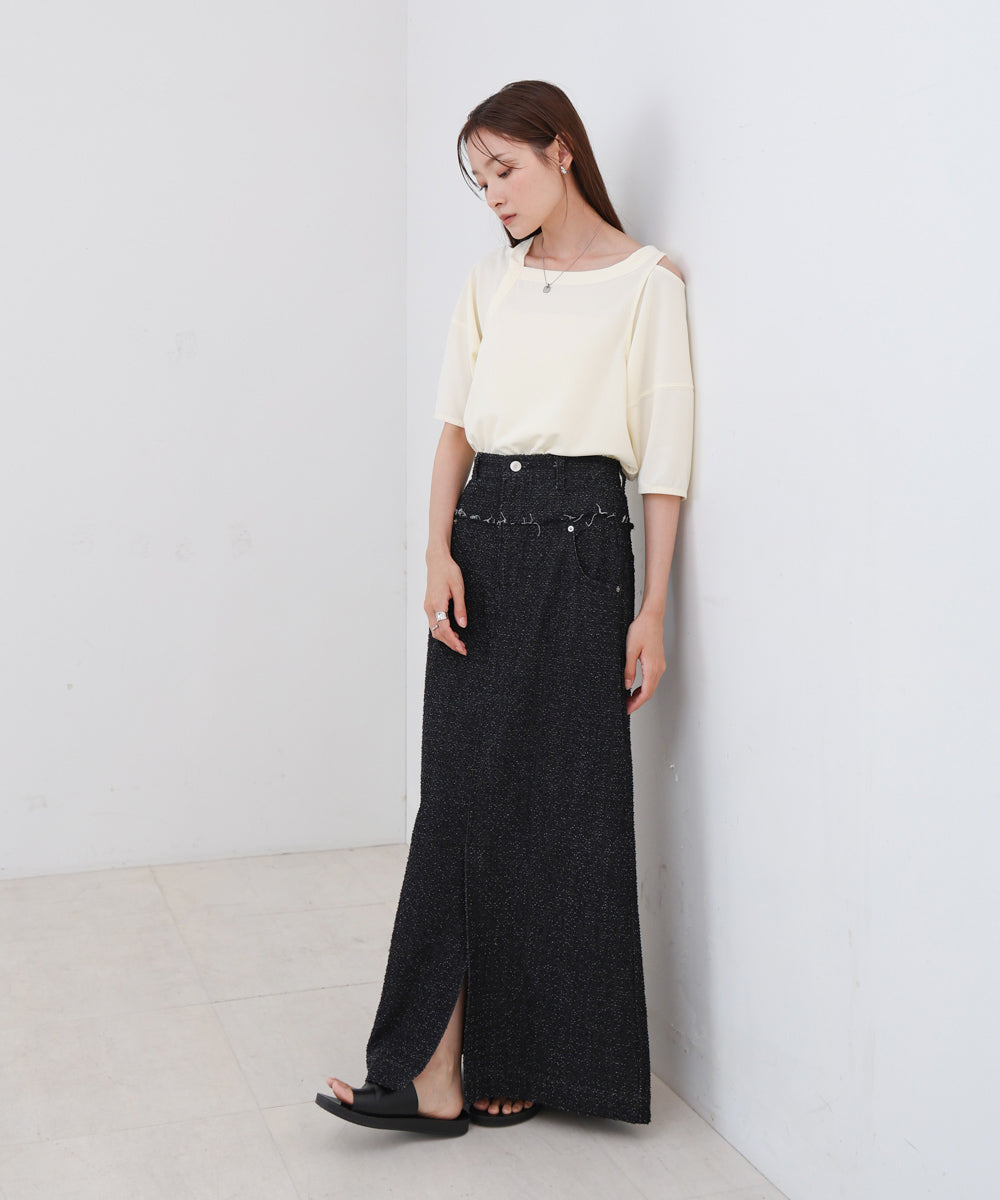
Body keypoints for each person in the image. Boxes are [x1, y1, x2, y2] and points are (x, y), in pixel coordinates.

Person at [316, 79, 694, 1136]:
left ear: (561, 151)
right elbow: (454, 427)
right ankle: (427, 1069)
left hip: (583, 550)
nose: (493, 196)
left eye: (505, 170)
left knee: (563, 807)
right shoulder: (490, 281)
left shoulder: (648, 285)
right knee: (458, 805)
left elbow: (664, 468)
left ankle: (529, 1057)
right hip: (481, 543)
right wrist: (435, 548)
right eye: (479, 180)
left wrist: (653, 610)